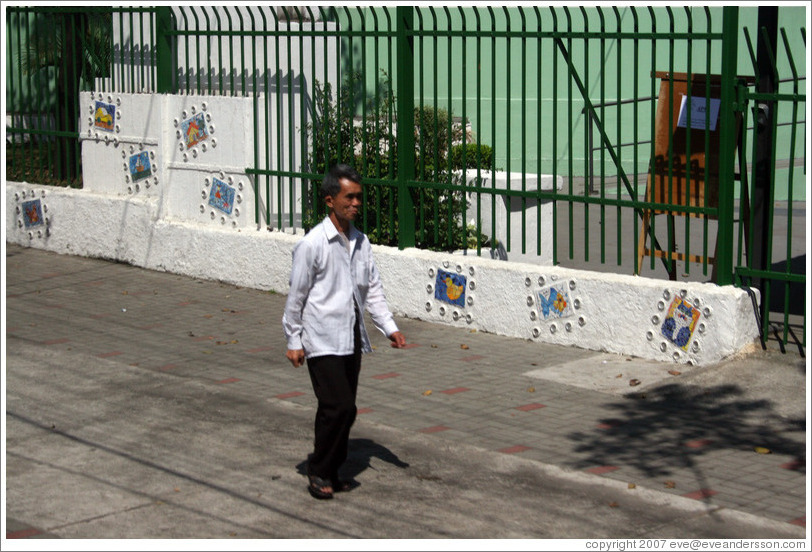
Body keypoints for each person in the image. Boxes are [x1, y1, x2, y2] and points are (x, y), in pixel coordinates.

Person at [282, 163, 407, 500]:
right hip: (320, 337)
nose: (356, 203)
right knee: (335, 407)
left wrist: (389, 328)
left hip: (350, 336)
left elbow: (373, 290)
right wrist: (293, 340)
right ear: (329, 200)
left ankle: (332, 470)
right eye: (348, 197)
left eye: (359, 198)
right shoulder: (312, 244)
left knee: (347, 408)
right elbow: (296, 296)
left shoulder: (360, 242)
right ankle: (319, 470)